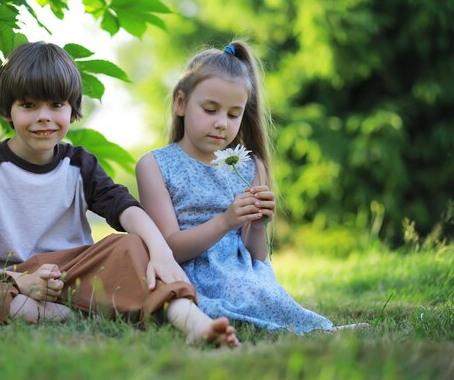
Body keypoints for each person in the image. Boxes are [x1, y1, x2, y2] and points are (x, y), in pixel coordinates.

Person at [0, 41, 240, 347]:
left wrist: (160, 251)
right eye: (29, 105)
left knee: (133, 244)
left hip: (76, 271)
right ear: (7, 110)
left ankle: (193, 322)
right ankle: (60, 313)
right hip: (14, 278)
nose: (44, 116)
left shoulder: (79, 164)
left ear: (73, 109)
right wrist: (25, 282)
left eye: (56, 105)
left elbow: (126, 209)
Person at [136, 40, 363, 333]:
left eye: (233, 114)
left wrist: (257, 225)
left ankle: (317, 330)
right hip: (186, 272)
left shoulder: (250, 165)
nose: (222, 123)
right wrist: (225, 221)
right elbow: (169, 247)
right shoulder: (155, 165)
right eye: (210, 109)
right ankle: (272, 328)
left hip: (241, 272)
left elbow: (256, 256)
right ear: (180, 103)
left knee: (259, 289)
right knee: (232, 293)